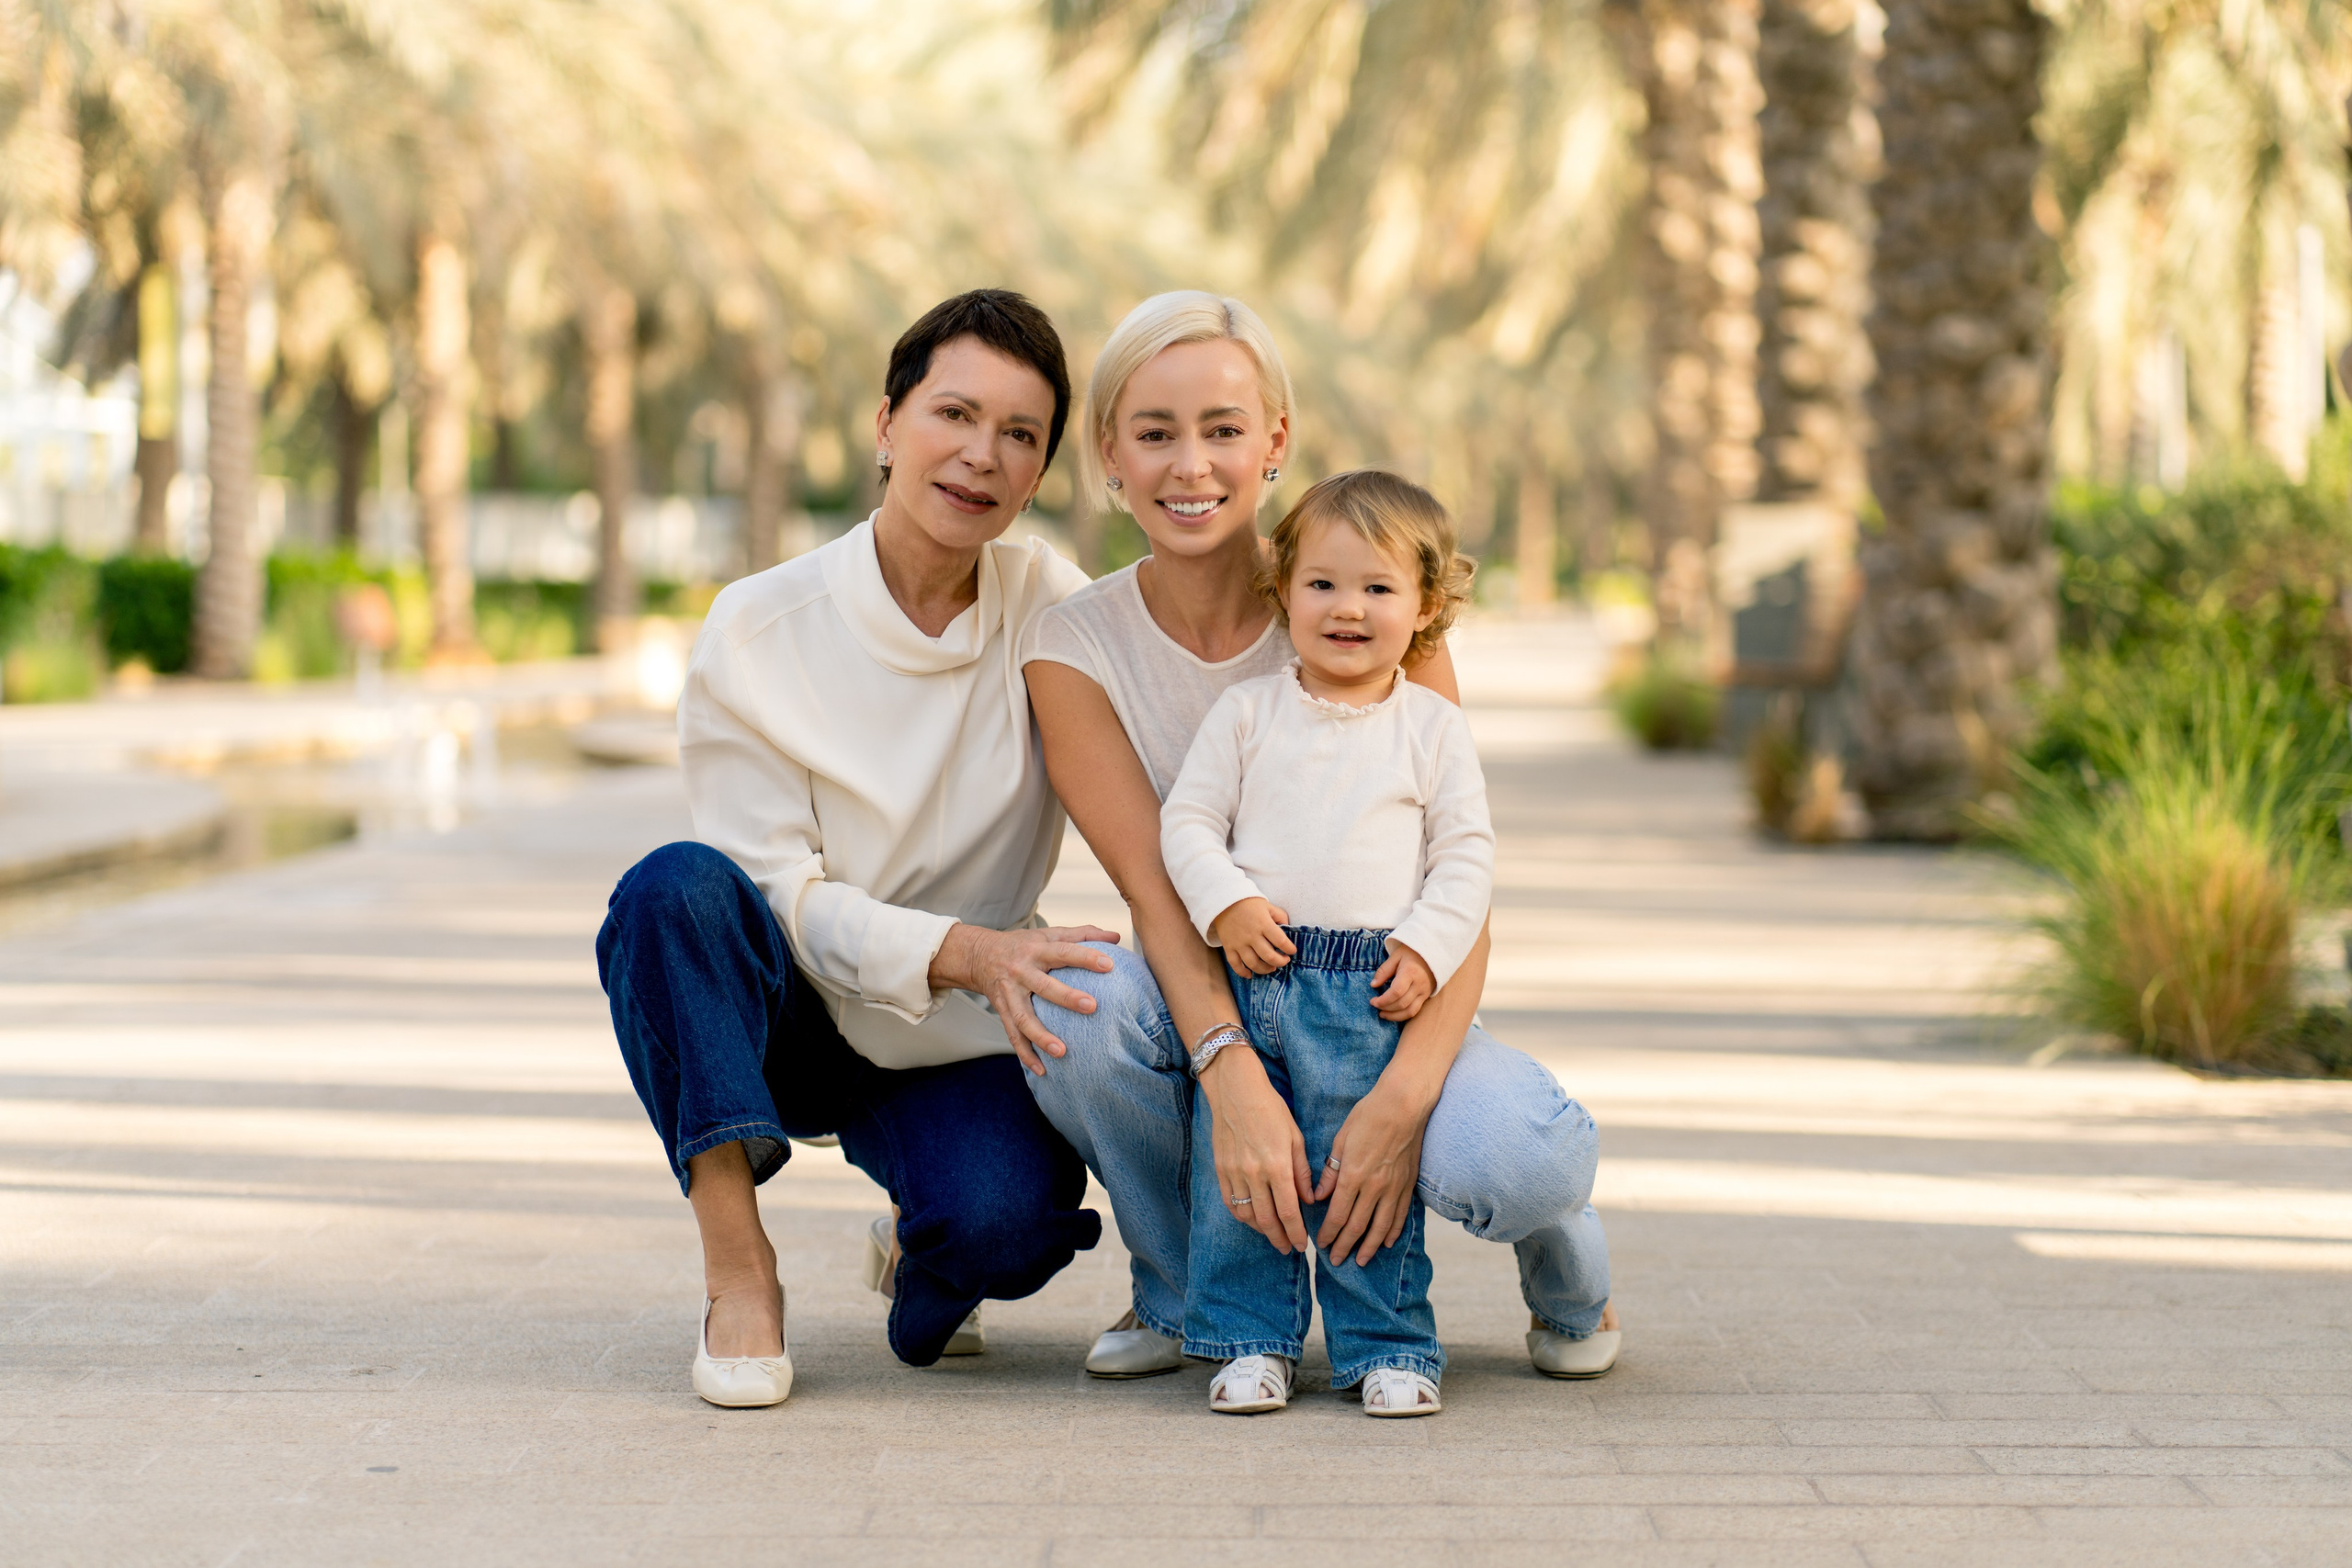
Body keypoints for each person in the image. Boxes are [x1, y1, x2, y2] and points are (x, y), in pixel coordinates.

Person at [1020, 290, 1622, 1387]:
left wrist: (1399, 1102)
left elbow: (1460, 874)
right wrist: (1232, 1073)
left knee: (1512, 1158)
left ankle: (1558, 1238)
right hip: (1215, 971)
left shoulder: (1373, 602)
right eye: (1154, 432)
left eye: (1223, 428)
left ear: (1275, 443)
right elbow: (1161, 891)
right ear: (1108, 451)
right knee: (1089, 1012)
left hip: (1379, 990)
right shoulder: (1073, 644)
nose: (1190, 464)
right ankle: (1181, 1293)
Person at [595, 289, 1120, 1408]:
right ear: (886, 422)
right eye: (954, 414)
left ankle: (916, 1238)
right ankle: (739, 1271)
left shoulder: (1052, 610)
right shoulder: (758, 625)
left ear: (1039, 476)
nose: (981, 456)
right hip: (784, 1015)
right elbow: (778, 897)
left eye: (1020, 437)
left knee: (1008, 1230)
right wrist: (969, 951)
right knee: (671, 893)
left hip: (950, 1042)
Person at [1163, 470, 1490, 1417]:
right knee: (1245, 1183)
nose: (1348, 609)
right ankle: (1249, 1340)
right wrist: (1226, 903)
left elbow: (1466, 853)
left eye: (1378, 589)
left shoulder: (1429, 728)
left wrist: (1427, 947)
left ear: (1426, 605)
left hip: (1371, 986)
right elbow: (1187, 824)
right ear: (1283, 588)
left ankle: (1386, 1345)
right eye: (1323, 585)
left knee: (1358, 1177)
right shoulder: (1247, 715)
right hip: (1256, 971)